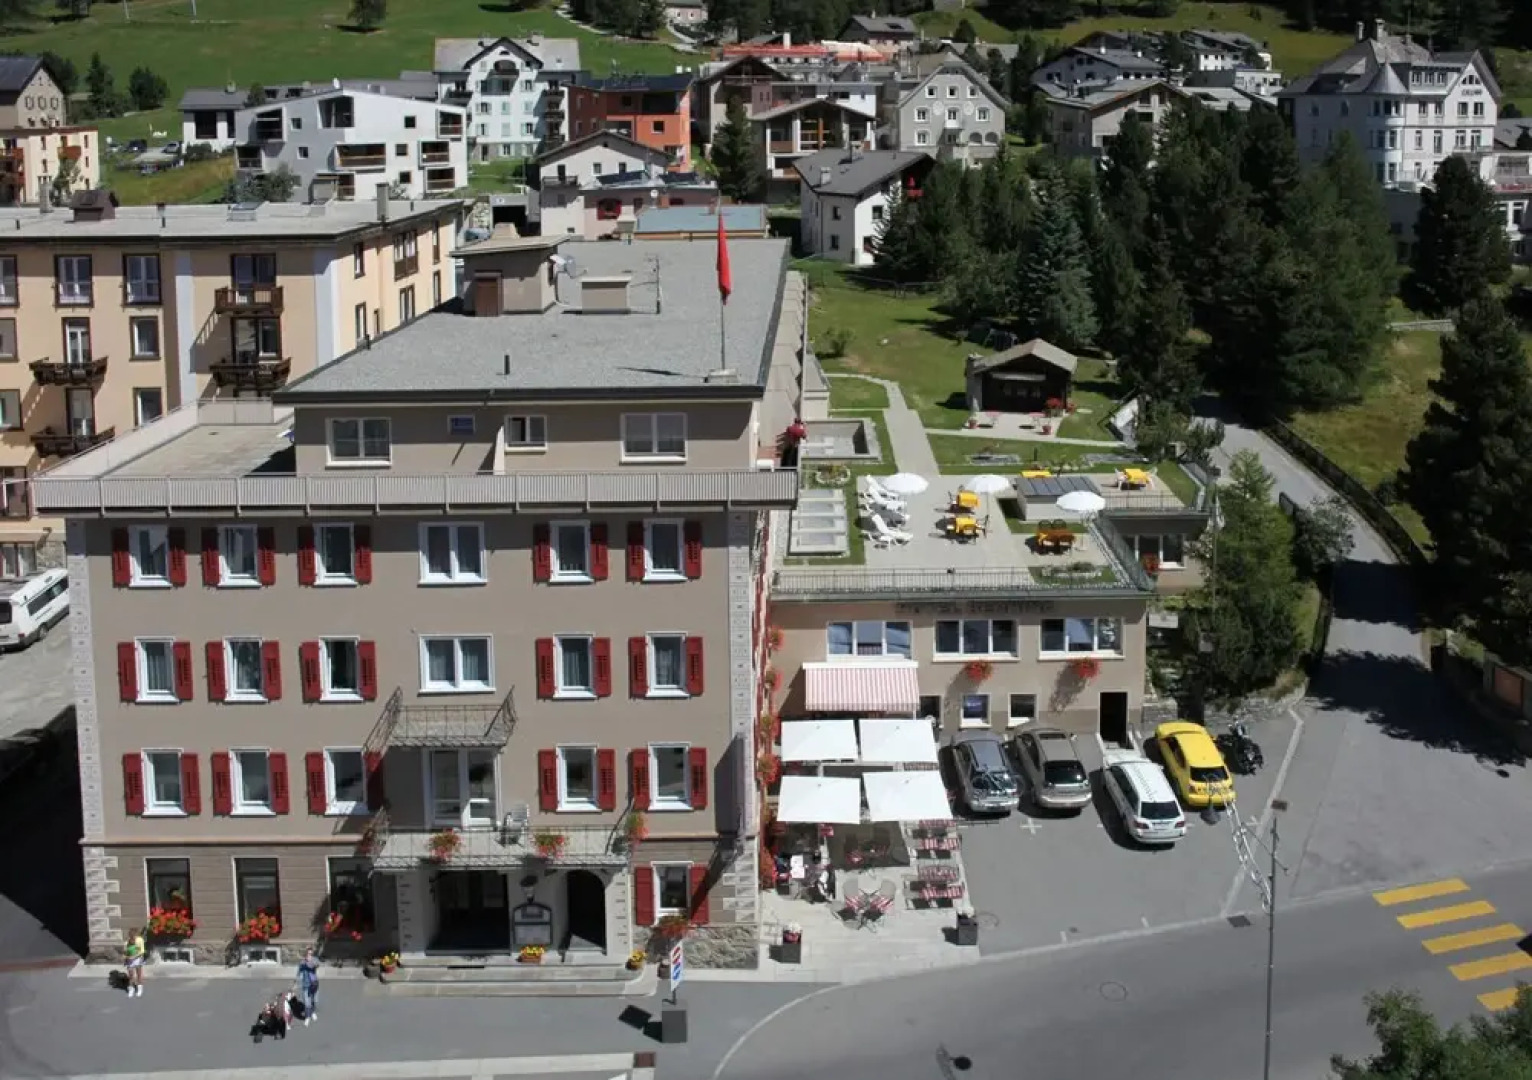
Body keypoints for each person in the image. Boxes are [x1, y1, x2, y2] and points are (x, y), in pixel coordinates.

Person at [296, 947, 319, 1025]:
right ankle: (308, 1017)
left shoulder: (314, 960)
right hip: (306, 985)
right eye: (308, 953)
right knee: (306, 1002)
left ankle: (312, 1012)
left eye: (311, 953)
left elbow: (315, 965)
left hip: (314, 984)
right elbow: (299, 972)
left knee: (314, 1001)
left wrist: (309, 961)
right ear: (306, 954)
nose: (310, 955)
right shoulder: (302, 962)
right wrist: (296, 982)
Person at [123, 930, 146, 998]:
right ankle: (131, 989)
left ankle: (139, 989)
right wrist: (126, 959)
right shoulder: (126, 943)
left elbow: (141, 952)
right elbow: (124, 954)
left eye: (135, 937)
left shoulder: (138, 942)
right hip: (130, 961)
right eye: (132, 937)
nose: (134, 938)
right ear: (130, 936)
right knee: (131, 976)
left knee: (139, 975)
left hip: (137, 960)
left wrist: (134, 957)